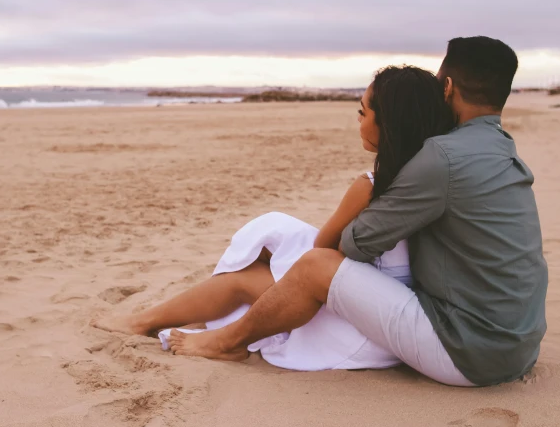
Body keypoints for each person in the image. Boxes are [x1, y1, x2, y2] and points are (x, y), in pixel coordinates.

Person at [162, 36, 548, 387]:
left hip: (468, 351)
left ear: (446, 88)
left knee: (314, 265)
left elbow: (353, 245)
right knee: (286, 257)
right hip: (520, 342)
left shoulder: (443, 157)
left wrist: (366, 191)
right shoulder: (501, 148)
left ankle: (227, 342)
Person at [94, 64, 454, 372]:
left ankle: (147, 322)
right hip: (396, 317)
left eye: (363, 112)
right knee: (270, 248)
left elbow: (322, 249)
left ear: (388, 123)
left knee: (242, 278)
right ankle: (152, 320)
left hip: (365, 333)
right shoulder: (432, 180)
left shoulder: (371, 186)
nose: (358, 121)